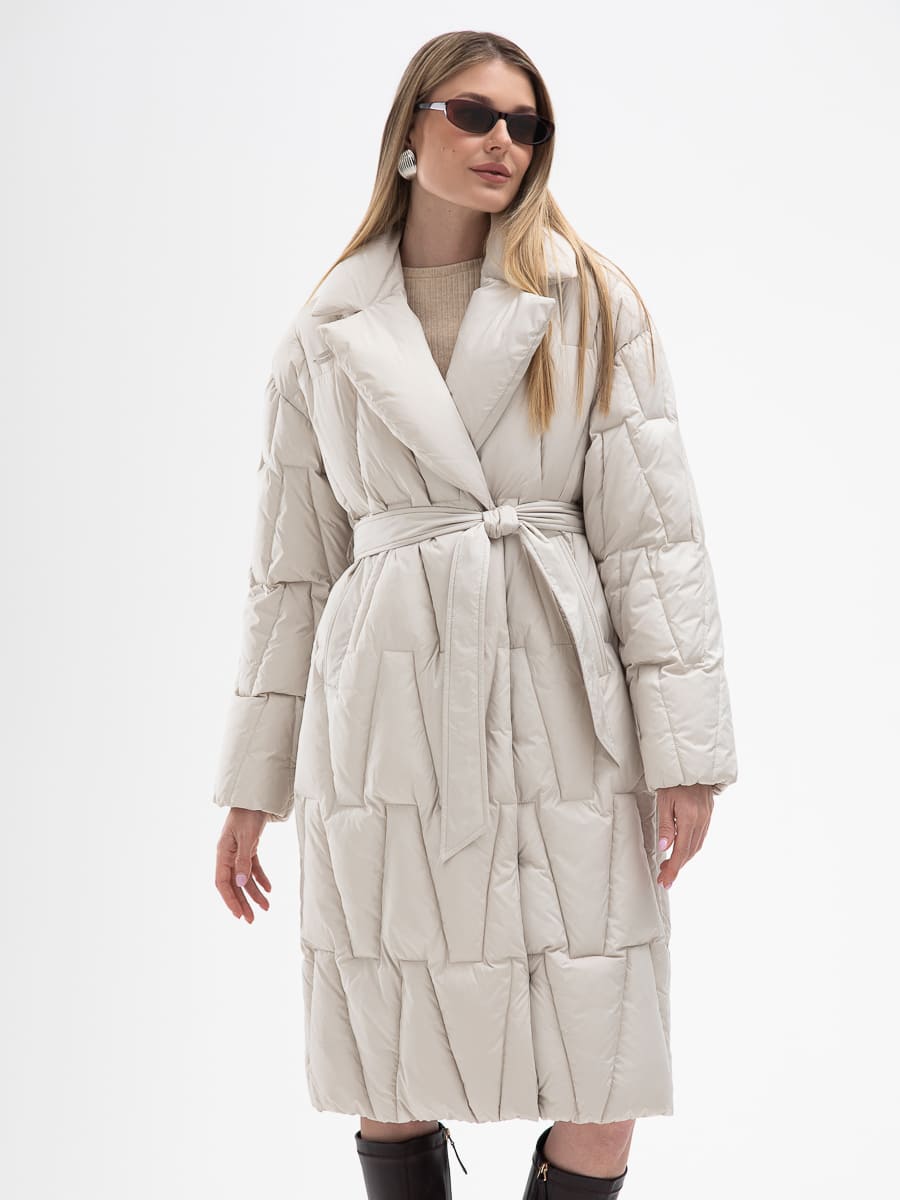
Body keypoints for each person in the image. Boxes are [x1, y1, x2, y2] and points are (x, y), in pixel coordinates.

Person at [210, 28, 738, 1200]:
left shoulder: (589, 300)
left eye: (526, 124)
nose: (505, 140)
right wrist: (253, 785)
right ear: (410, 131)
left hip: (564, 711)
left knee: (604, 1079)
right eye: (475, 114)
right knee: (392, 1056)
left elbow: (655, 541)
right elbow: (288, 574)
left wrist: (686, 755)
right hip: (387, 726)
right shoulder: (323, 332)